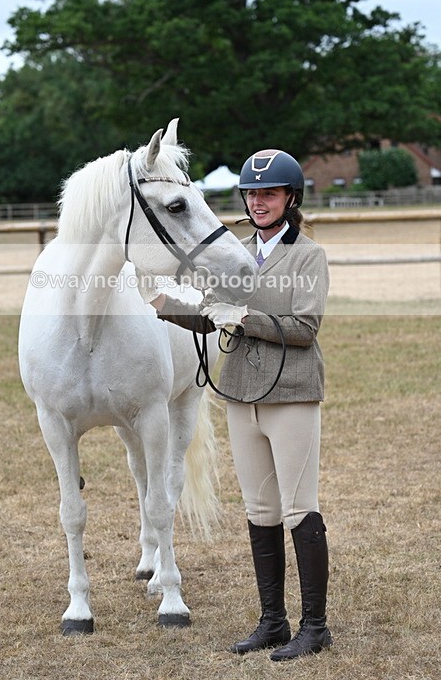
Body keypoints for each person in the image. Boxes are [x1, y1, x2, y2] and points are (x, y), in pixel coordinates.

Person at [140, 149, 332, 662]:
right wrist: (163, 304)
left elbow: (305, 328)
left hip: (291, 392)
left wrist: (244, 318)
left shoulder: (308, 256)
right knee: (260, 510)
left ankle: (315, 627)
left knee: (299, 509)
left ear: (290, 198)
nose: (258, 202)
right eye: (251, 194)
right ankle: (273, 621)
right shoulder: (235, 252)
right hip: (241, 391)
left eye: (269, 194)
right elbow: (211, 316)